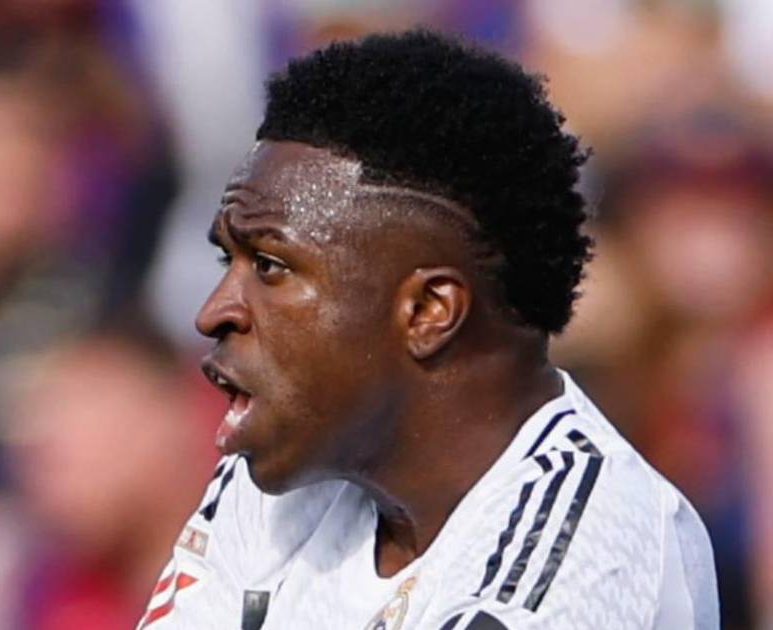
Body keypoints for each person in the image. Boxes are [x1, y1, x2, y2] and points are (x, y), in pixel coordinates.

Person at [139, 30, 718, 629]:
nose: (214, 312)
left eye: (269, 266)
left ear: (427, 311)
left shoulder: (585, 552)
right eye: (227, 260)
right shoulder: (293, 462)